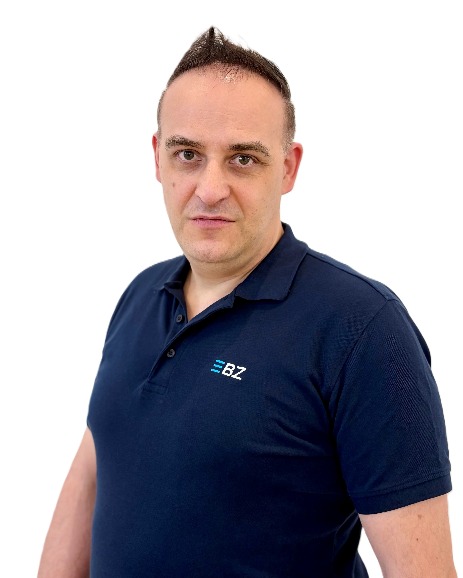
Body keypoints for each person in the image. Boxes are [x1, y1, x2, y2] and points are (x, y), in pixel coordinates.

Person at [37, 27, 457, 578]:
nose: (210, 188)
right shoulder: (139, 296)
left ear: (288, 167)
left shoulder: (361, 329)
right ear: (158, 158)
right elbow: (94, 470)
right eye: (188, 154)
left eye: (242, 159)